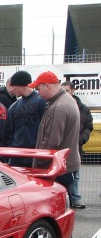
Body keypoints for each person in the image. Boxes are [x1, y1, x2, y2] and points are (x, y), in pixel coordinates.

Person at [29, 71, 81, 201]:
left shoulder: (58, 107)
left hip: (57, 169)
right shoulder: (66, 100)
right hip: (66, 166)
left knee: (54, 208)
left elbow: (51, 142)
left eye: (39, 88)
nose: (38, 93)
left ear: (47, 86)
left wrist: (38, 165)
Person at [61, 81, 92, 209]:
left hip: (77, 147)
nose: (65, 93)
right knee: (62, 174)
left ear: (73, 91)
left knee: (76, 175)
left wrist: (82, 139)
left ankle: (75, 198)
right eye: (63, 91)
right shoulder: (61, 105)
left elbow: (89, 126)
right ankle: (65, 198)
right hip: (63, 148)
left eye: (67, 90)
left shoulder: (83, 108)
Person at [7, 70, 47, 167]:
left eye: (13, 86)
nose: (12, 89)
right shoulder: (14, 106)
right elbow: (10, 131)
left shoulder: (41, 101)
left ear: (20, 85)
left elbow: (46, 128)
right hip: (17, 155)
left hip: (35, 154)